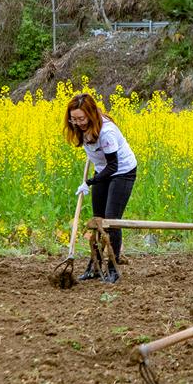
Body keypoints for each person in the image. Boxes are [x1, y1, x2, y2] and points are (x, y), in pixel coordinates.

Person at [64, 93, 137, 284]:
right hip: (102, 171)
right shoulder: (79, 127)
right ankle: (94, 267)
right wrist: (95, 177)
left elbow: (113, 166)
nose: (78, 123)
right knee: (97, 220)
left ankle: (113, 268)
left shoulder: (107, 132)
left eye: (81, 118)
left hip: (122, 172)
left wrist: (89, 182)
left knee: (111, 221)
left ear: (90, 114)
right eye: (74, 119)